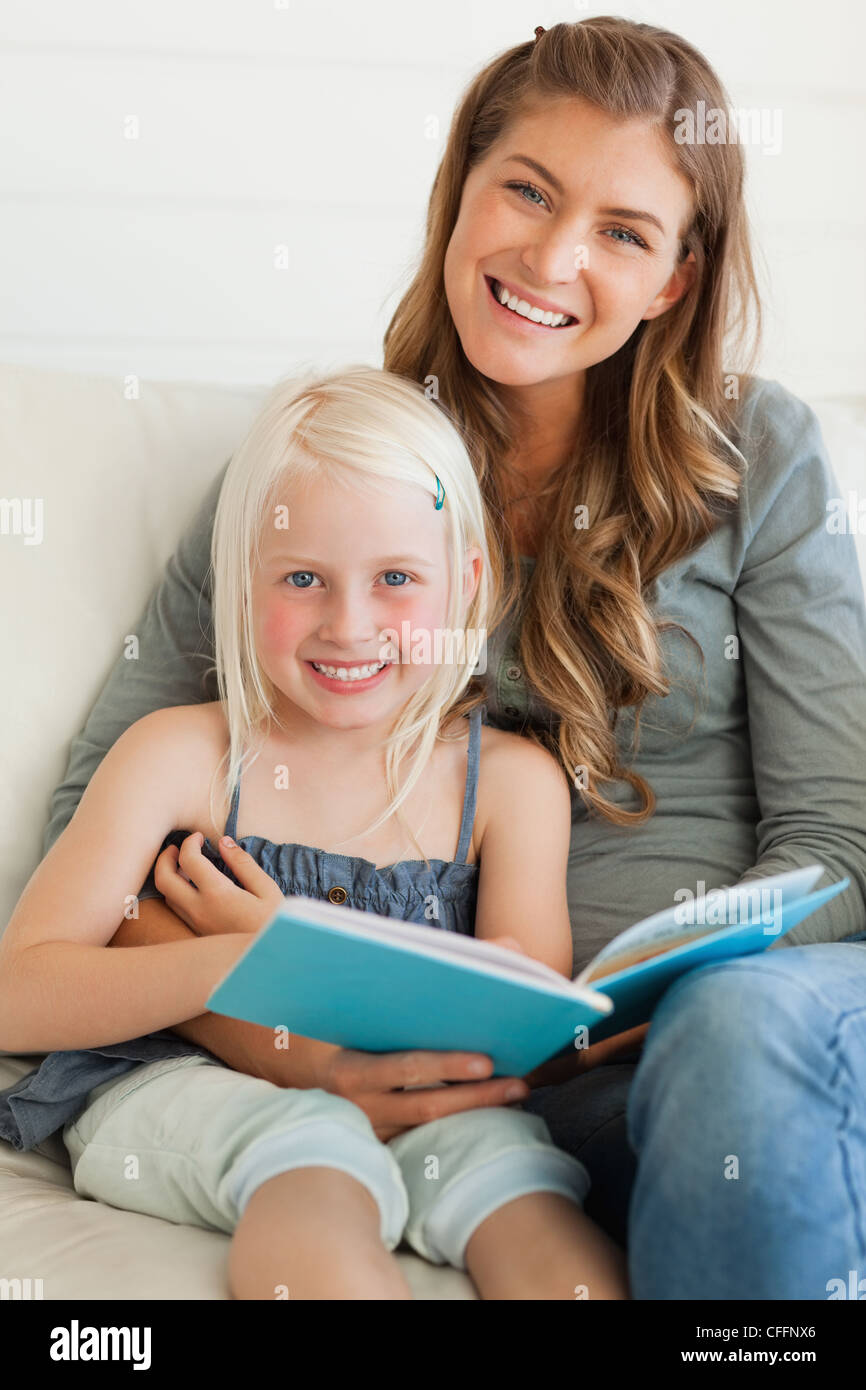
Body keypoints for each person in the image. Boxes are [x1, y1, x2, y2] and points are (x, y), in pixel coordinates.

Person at [5, 17, 866, 1298]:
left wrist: (615, 1012)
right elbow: (103, 852)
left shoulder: (753, 452)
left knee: (732, 1037)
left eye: (622, 232)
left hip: (733, 1038)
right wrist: (300, 1027)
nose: (551, 256)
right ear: (458, 187)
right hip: (481, 1093)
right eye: (525, 188)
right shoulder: (333, 471)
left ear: (673, 280)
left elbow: (840, 847)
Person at [0, 366, 629, 1300]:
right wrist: (240, 960)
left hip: (422, 1099)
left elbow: (520, 1030)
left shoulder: (508, 785)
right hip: (190, 1079)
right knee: (315, 1158)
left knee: (521, 1186)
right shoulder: (179, 756)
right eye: (303, 578)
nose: (350, 624)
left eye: (396, 580)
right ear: (241, 581)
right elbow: (20, 991)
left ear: (465, 583)